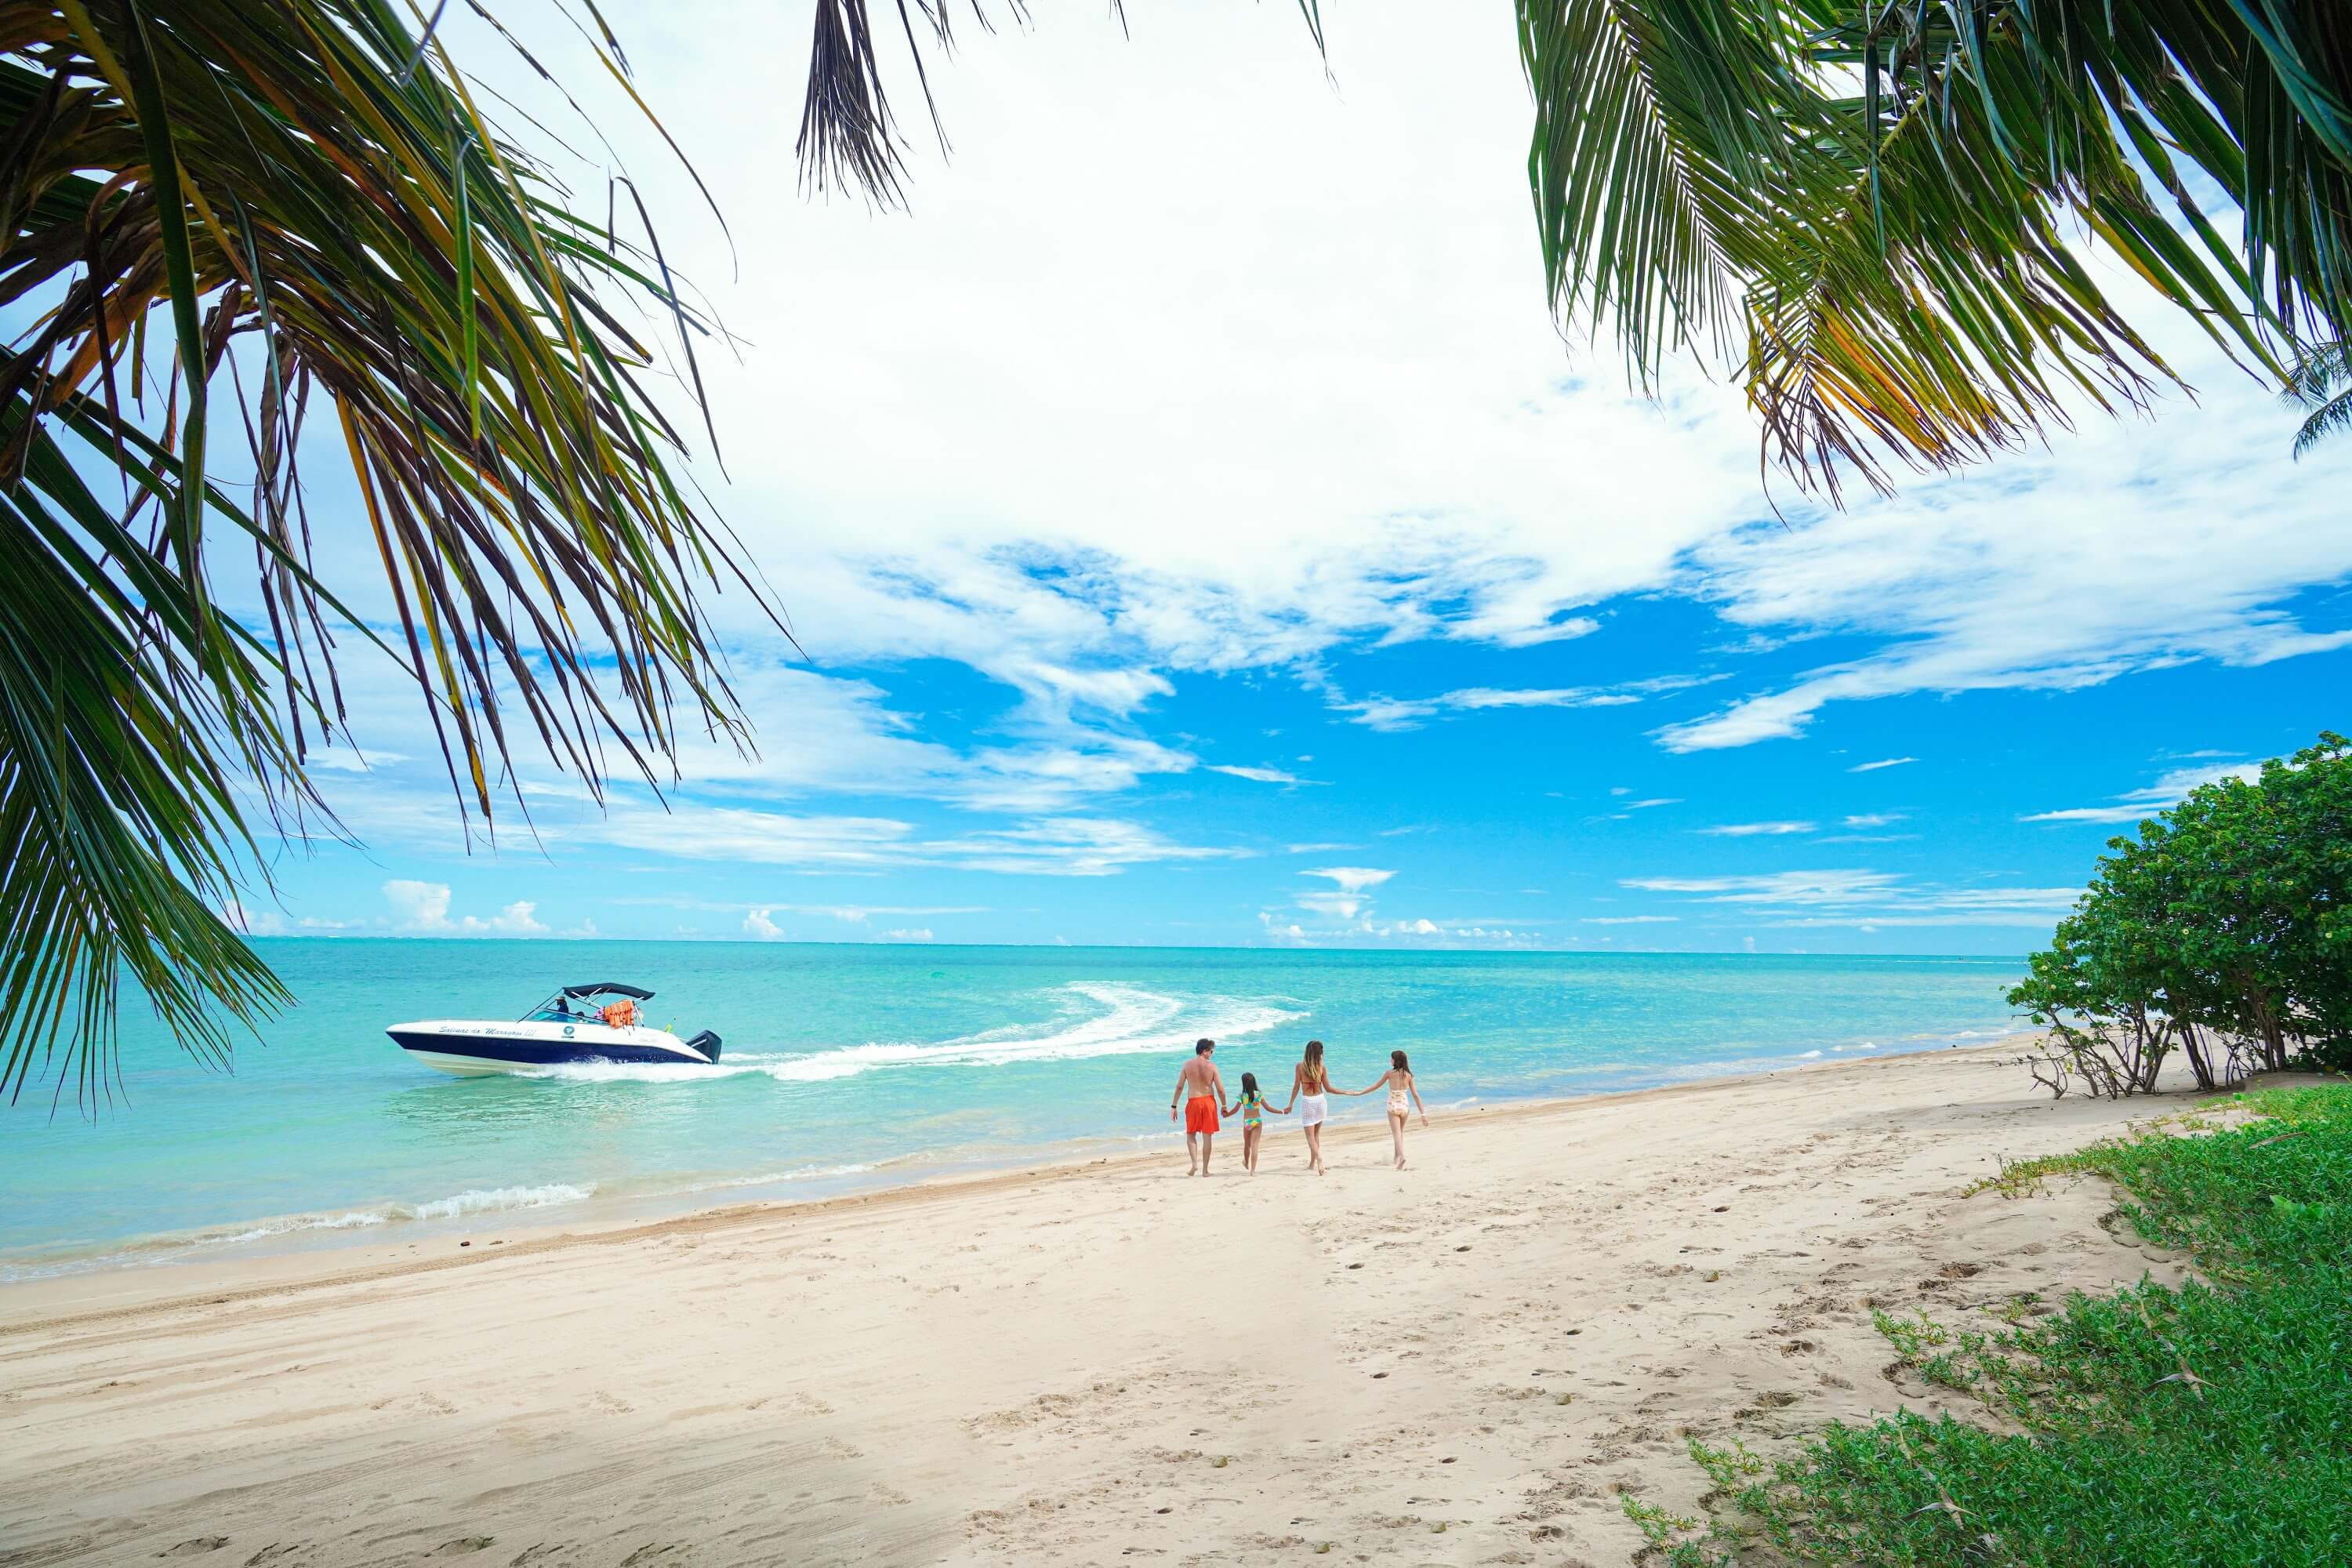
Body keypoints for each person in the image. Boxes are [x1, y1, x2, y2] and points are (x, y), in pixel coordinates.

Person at [1357, 1050, 1428, 1170]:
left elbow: (1375, 1086)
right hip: (1405, 1106)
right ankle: (1396, 1158)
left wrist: (1360, 1093)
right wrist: (1423, 1114)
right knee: (1399, 1133)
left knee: (1397, 1135)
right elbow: (1416, 1095)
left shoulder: (1389, 1073)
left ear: (1396, 1060)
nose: (1390, 1060)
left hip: (1393, 1106)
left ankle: (1401, 1157)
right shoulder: (1409, 1075)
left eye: (1391, 1058)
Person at [1168, 1038, 1227, 1176]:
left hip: (1193, 1102)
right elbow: (1221, 1089)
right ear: (1204, 1051)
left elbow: (1179, 1087)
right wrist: (1224, 1105)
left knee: (1191, 1134)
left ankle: (1195, 1164)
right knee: (1207, 1137)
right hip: (1208, 1102)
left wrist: (1174, 1106)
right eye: (1211, 1051)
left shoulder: (1187, 1065)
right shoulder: (1212, 1067)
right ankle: (1205, 1170)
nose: (1212, 1054)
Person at [1280, 1039, 1340, 1175]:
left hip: (1308, 1102)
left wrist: (1290, 1103)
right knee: (1316, 1135)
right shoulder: (1322, 1067)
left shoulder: (1300, 1067)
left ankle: (1319, 1158)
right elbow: (1329, 1089)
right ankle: (1312, 1163)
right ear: (1320, 1053)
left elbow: (1296, 1087)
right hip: (1320, 1101)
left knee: (1310, 1137)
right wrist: (1345, 1092)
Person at [1222, 1071, 1286, 1175]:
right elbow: (1268, 1108)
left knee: (1247, 1145)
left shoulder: (1242, 1096)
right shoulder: (1259, 1095)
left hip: (1247, 1123)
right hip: (1257, 1121)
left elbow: (1235, 1110)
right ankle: (1253, 1171)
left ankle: (1246, 1163)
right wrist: (1282, 1111)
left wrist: (1227, 1114)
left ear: (1244, 1083)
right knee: (1255, 1146)